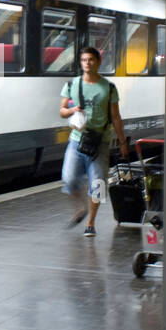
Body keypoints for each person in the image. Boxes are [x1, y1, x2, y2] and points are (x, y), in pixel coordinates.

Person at [58, 47, 128, 237]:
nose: (87, 63)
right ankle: (81, 208)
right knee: (69, 179)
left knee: (98, 184)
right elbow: (62, 111)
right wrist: (72, 110)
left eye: (90, 59)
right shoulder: (72, 85)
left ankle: (90, 223)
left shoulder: (108, 87)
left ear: (98, 62)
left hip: (100, 142)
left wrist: (122, 142)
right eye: (83, 60)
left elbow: (116, 117)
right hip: (76, 141)